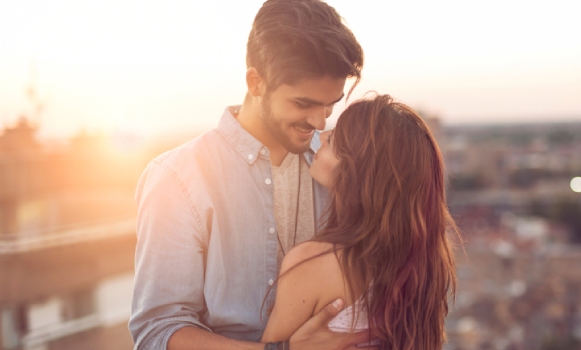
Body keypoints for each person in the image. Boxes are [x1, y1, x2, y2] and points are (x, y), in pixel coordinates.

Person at [128, 0, 368, 349]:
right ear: (256, 82)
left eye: (330, 104)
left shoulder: (338, 163)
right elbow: (157, 333)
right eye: (303, 104)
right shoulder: (177, 178)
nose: (320, 122)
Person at [260, 94, 459, 350]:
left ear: (360, 170)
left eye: (335, 140)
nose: (322, 136)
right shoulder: (423, 265)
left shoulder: (311, 264)